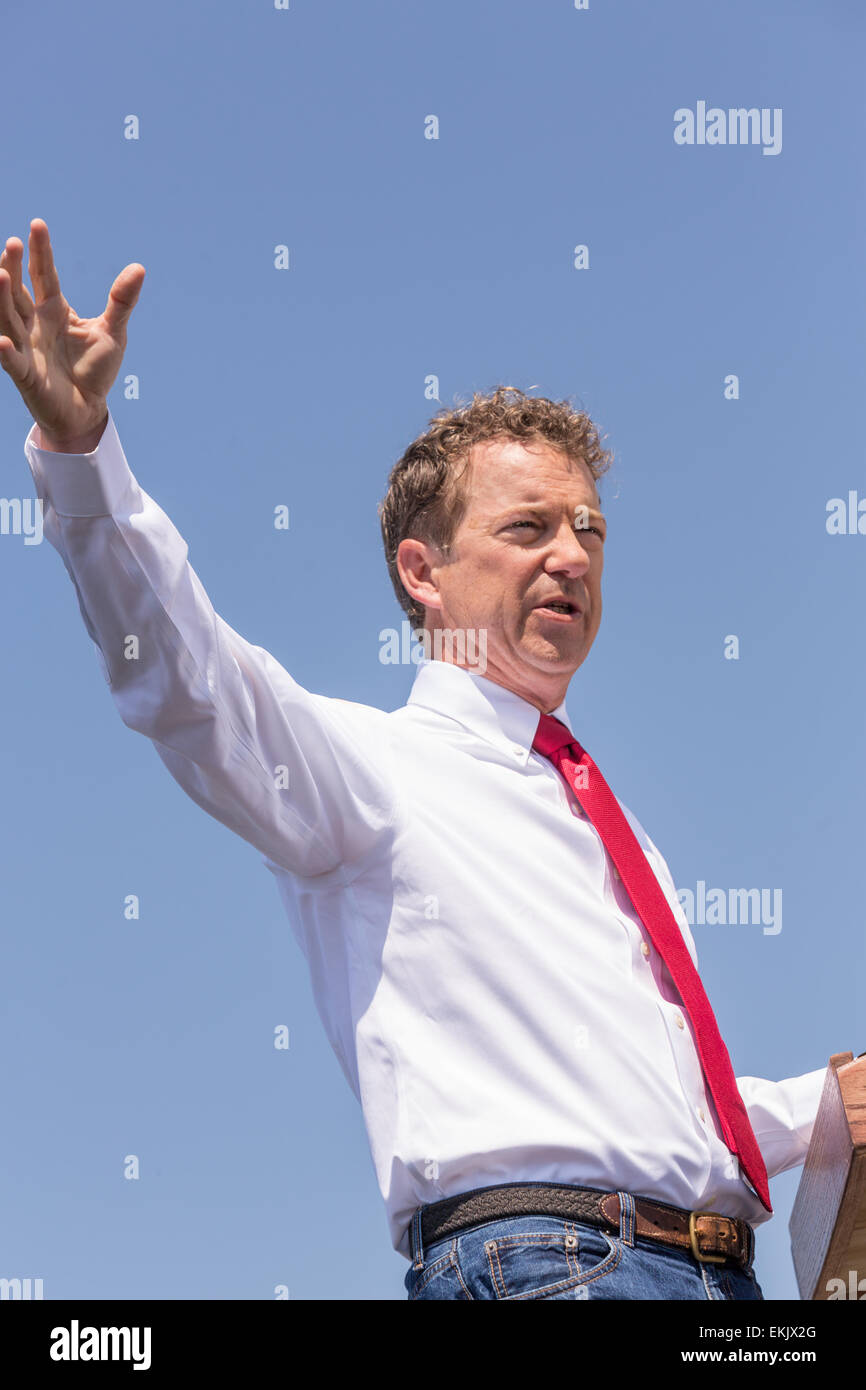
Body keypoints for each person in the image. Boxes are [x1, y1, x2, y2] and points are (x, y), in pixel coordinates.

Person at [1, 220, 826, 1301]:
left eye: (587, 527)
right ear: (421, 570)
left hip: (715, 1279)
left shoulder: (610, 832)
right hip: (556, 1267)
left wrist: (822, 1105)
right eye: (527, 526)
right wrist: (82, 456)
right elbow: (193, 684)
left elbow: (647, 1120)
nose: (570, 553)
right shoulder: (372, 769)